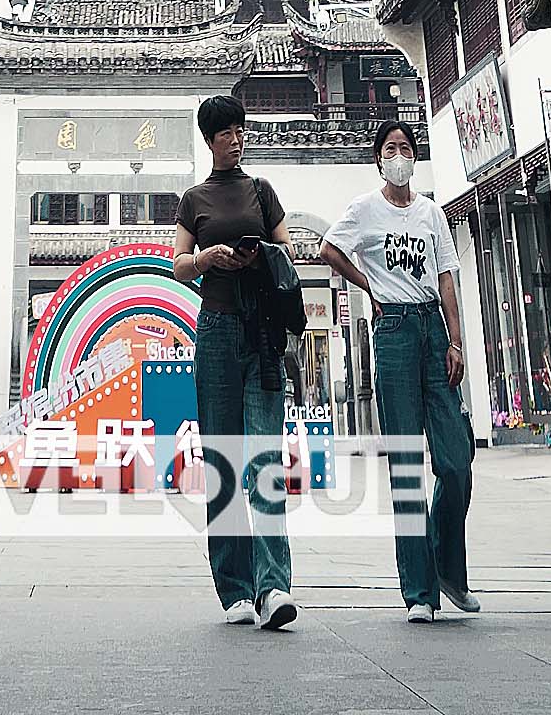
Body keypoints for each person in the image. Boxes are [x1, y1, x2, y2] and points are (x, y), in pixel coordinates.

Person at [322, 115, 477, 621]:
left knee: (455, 460)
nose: (399, 156)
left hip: (433, 329)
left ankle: (448, 566)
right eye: (390, 148)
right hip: (392, 336)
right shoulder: (364, 211)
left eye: (406, 147)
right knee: (407, 464)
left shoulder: (432, 214)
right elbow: (328, 249)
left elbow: (448, 275)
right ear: (378, 159)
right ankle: (420, 592)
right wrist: (367, 286)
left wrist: (456, 339)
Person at [170, 90, 298, 629]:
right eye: (227, 132)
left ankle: (274, 588)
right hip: (217, 329)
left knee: (265, 458)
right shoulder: (193, 200)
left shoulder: (261, 191)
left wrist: (257, 254)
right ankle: (236, 589)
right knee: (223, 461)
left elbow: (286, 250)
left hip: (261, 331)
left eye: (241, 130)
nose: (237, 138)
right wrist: (208, 257)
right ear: (210, 139)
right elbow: (178, 266)